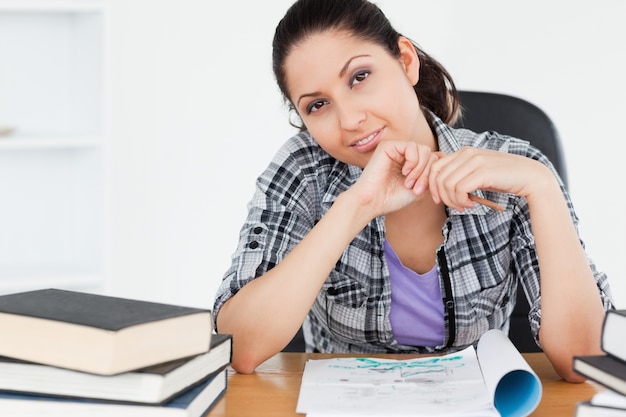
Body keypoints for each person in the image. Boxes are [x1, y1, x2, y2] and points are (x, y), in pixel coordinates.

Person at [213, 0, 614, 380]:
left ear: (405, 61)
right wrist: (357, 206)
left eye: (360, 77)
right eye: (318, 105)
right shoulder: (304, 169)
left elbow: (585, 361)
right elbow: (239, 349)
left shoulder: (517, 169)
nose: (350, 119)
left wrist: (541, 187)